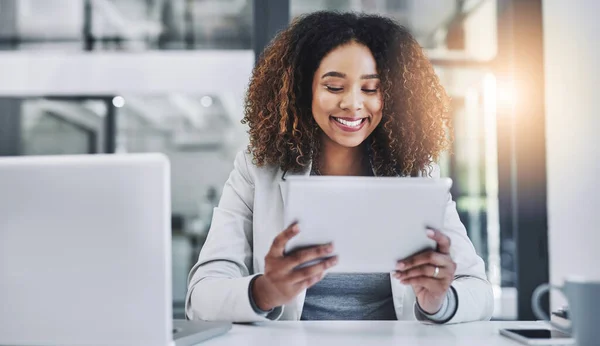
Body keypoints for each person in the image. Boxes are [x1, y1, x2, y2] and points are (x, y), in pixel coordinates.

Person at [185, 11, 493, 323]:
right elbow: (201, 298)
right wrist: (264, 291)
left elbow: (479, 293)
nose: (353, 103)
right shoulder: (256, 170)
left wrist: (438, 302)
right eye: (334, 87)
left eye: (371, 89)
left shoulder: (417, 172)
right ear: (303, 90)